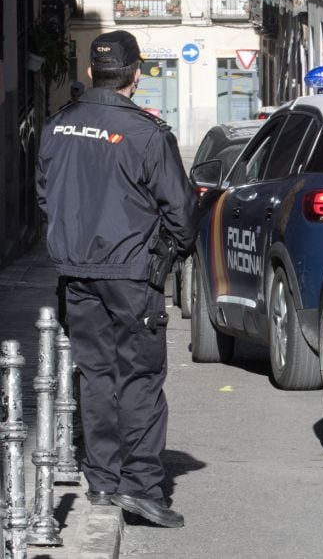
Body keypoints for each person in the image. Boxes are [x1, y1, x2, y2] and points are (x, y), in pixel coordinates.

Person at [36, 30, 194, 528]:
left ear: (90, 73)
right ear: (136, 75)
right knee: (140, 378)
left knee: (96, 376)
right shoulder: (147, 133)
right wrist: (167, 254)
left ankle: (102, 479)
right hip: (130, 274)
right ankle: (142, 487)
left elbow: (45, 196)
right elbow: (183, 214)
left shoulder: (56, 127)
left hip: (75, 272)